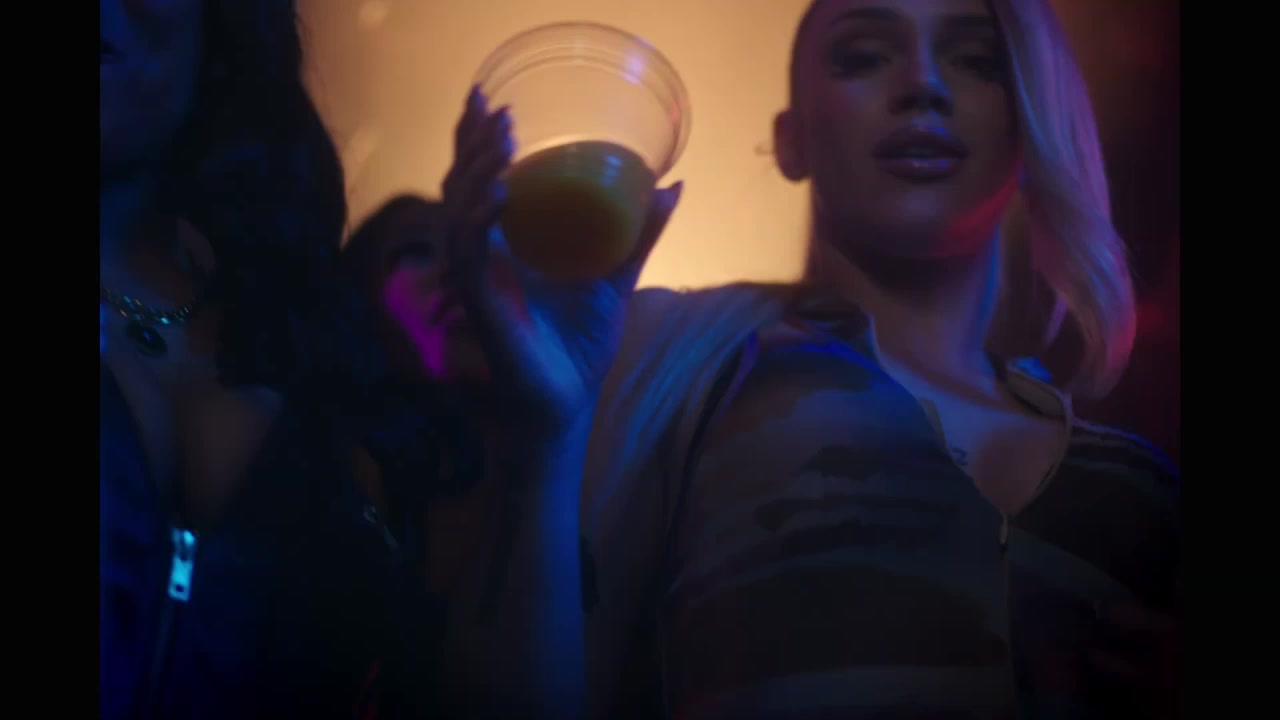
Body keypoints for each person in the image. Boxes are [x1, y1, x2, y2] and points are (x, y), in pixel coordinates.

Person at [580, 0, 1180, 718]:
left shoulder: (1139, 488)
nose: (923, 83)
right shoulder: (673, 355)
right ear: (792, 140)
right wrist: (538, 432)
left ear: (1030, 121)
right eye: (863, 56)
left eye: (978, 61)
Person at [99, 0, 678, 716]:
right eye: (417, 252)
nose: (461, 276)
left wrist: (554, 434)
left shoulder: (326, 398)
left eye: (472, 253)